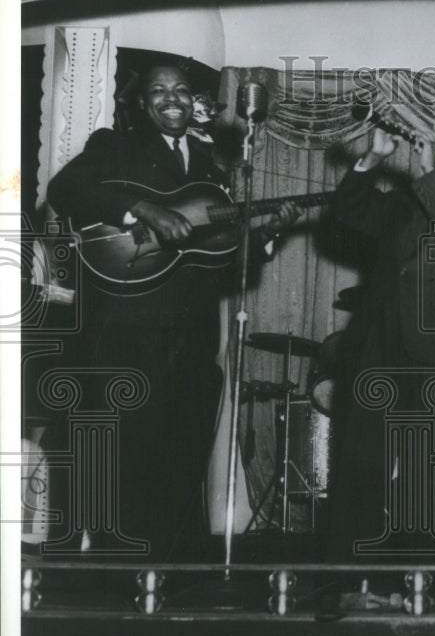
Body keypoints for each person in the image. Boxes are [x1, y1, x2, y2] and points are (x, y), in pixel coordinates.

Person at [46, 64, 300, 562]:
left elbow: (214, 260)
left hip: (192, 335)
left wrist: (264, 236)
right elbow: (64, 189)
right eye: (159, 90)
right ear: (142, 104)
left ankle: (173, 575)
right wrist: (143, 209)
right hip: (128, 332)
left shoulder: (208, 165)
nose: (172, 98)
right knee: (130, 457)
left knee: (183, 457)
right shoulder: (114, 144)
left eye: (181, 90)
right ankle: (123, 576)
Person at [325, 124, 435, 564]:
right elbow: (350, 212)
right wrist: (372, 160)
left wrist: (428, 176)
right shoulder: (410, 202)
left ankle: (419, 573)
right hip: (380, 344)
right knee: (360, 458)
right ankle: (349, 572)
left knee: (427, 469)